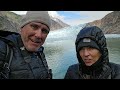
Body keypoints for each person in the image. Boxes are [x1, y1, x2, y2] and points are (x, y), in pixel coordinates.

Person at [0, 11, 52, 79]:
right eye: (34, 26)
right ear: (22, 27)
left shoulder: (40, 51)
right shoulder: (4, 49)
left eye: (44, 31)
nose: (39, 35)